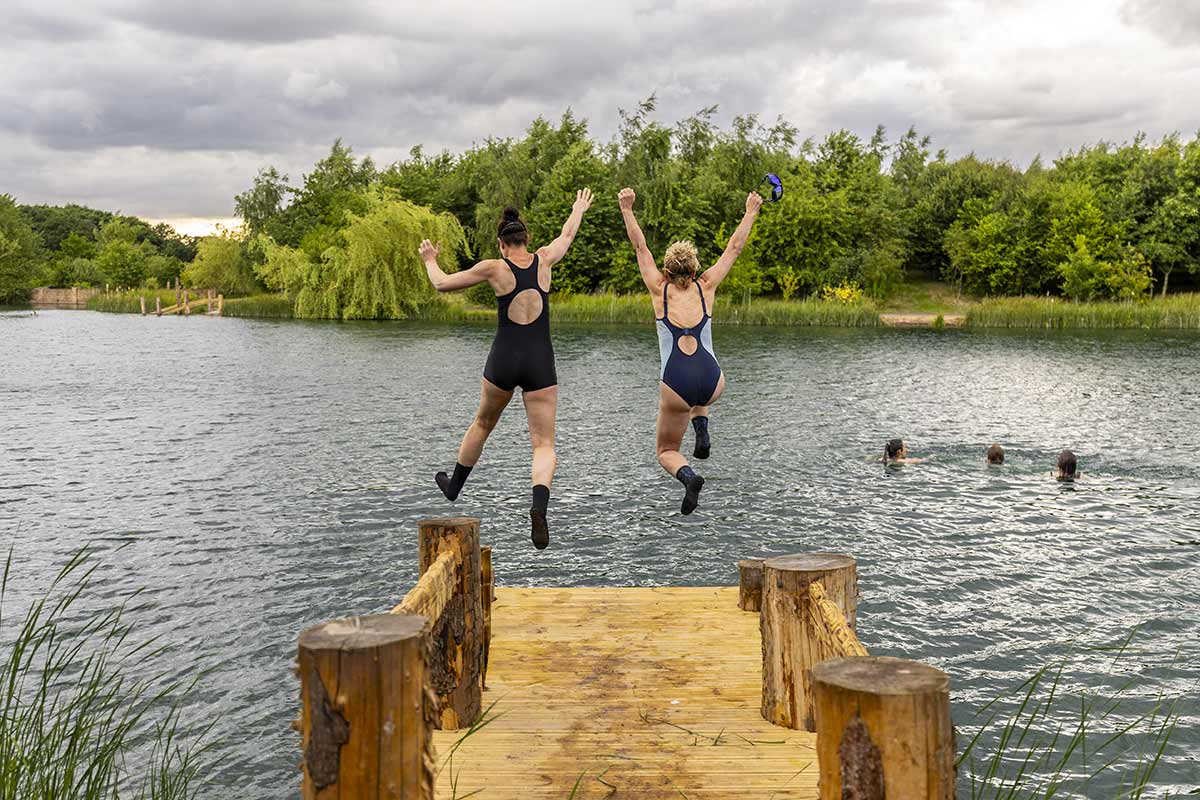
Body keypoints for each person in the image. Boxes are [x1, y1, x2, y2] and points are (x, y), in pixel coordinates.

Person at [418, 189, 594, 549]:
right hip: (540, 363)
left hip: (503, 360)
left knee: (482, 424)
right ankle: (539, 507)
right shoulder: (544, 260)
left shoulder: (494, 268)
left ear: (501, 244)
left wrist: (429, 258)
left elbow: (440, 283)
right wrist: (577, 208)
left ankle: (453, 488)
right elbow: (568, 235)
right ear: (526, 240)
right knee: (543, 444)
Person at [617, 186, 763, 514]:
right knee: (699, 398)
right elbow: (734, 248)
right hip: (712, 381)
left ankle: (689, 476)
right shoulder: (707, 285)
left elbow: (639, 247)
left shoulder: (658, 289)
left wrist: (627, 209)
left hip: (676, 383)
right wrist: (750, 210)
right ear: (695, 271)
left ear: (667, 272)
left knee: (666, 449)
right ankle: (702, 429)